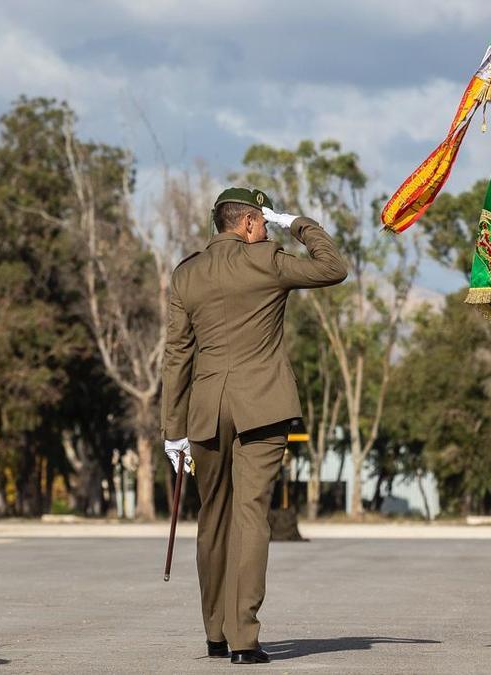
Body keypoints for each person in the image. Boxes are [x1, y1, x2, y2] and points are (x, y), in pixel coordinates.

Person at [161, 187, 348, 664]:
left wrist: (172, 430)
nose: (266, 226)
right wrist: (297, 222)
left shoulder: (187, 274)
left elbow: (177, 356)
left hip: (205, 410)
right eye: (262, 220)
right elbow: (333, 267)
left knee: (213, 519)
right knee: (250, 517)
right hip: (261, 407)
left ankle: (214, 633)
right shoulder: (266, 261)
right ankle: (243, 639)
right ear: (246, 224)